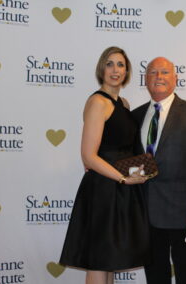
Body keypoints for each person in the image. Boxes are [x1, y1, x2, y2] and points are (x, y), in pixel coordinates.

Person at [59, 46, 150, 284]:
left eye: (120, 64)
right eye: (109, 64)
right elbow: (88, 156)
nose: (115, 69)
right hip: (103, 189)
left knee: (110, 262)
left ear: (127, 71)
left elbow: (124, 150)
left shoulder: (125, 104)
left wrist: (137, 171)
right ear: (101, 68)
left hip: (121, 191)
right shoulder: (98, 102)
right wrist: (122, 178)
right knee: (100, 262)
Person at [132, 57, 186, 284]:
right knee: (155, 276)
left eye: (164, 72)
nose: (158, 77)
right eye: (152, 73)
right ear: (146, 79)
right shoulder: (135, 116)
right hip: (145, 213)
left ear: (175, 79)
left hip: (184, 213)